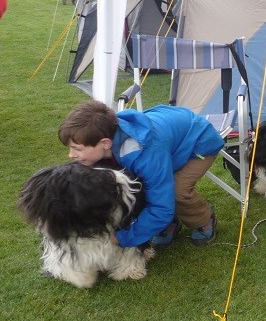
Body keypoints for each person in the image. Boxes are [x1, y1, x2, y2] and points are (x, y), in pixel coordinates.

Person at [58, 100, 224, 247]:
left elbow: (161, 206)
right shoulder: (107, 133)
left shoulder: (143, 155)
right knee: (146, 184)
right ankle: (169, 223)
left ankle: (203, 219)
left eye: (77, 149)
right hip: (169, 136)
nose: (71, 155)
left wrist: (124, 238)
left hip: (198, 143)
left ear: (105, 143)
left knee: (176, 191)